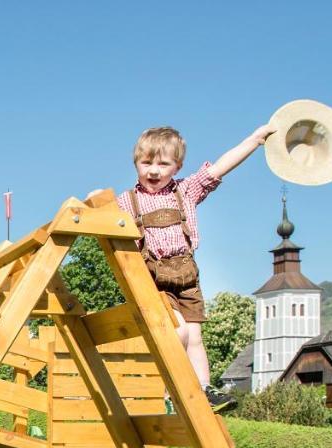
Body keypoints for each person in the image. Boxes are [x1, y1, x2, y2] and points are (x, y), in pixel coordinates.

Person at [117, 124, 275, 413]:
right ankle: (168, 391)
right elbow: (99, 216)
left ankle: (203, 389)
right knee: (177, 332)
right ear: (136, 162)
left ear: (177, 166)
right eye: (146, 162)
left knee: (195, 338)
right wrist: (94, 203)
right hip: (153, 280)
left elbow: (219, 168)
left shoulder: (185, 191)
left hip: (187, 277)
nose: (154, 170)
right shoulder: (127, 201)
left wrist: (254, 140)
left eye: (163, 164)